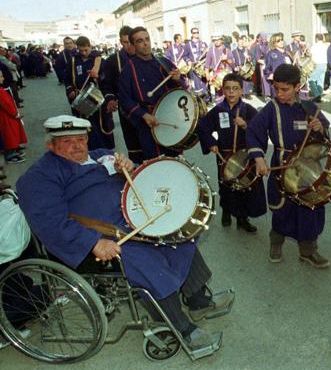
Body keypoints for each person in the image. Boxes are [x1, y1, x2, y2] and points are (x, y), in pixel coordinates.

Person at [16, 115, 233, 352]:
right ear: (50, 145)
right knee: (144, 256)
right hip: (102, 236)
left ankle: (197, 298)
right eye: (67, 141)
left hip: (133, 218)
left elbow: (132, 180)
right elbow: (49, 222)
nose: (77, 146)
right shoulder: (38, 178)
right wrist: (92, 243)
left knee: (179, 229)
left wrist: (128, 169)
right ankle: (180, 327)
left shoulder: (100, 155)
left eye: (81, 139)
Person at [246, 64, 331, 268]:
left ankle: (308, 251)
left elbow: (324, 133)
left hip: (309, 167)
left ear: (298, 86)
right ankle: (276, 243)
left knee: (308, 208)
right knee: (282, 209)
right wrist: (259, 158)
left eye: (285, 89)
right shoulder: (271, 109)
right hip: (283, 166)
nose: (280, 94)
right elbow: (253, 132)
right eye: (276, 89)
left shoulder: (309, 107)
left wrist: (320, 128)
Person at [197, 73, 266, 233]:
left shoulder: (249, 111)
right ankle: (227, 211)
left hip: (244, 158)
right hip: (225, 156)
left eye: (235, 89)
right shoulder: (218, 110)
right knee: (226, 187)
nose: (231, 92)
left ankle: (242, 218)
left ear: (242, 90)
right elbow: (203, 127)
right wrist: (211, 143)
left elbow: (260, 133)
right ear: (223, 90)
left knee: (244, 187)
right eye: (227, 88)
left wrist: (246, 125)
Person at [118, 26, 183, 160]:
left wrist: (178, 79)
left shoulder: (163, 62)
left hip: (169, 117)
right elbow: (124, 100)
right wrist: (143, 115)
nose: (146, 43)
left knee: (175, 159)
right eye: (140, 41)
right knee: (156, 161)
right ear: (133, 45)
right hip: (147, 122)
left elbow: (179, 88)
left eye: (147, 39)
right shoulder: (128, 69)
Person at [101, 26, 143, 164]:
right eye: (125, 42)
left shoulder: (144, 57)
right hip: (127, 112)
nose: (129, 45)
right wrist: (111, 99)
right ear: (120, 42)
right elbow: (106, 85)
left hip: (147, 109)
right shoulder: (112, 61)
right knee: (134, 147)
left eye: (131, 42)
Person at [65, 36, 115, 151]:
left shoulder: (99, 60)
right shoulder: (73, 60)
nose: (83, 53)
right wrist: (70, 91)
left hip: (97, 97)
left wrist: (97, 77)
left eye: (86, 50)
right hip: (80, 97)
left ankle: (107, 150)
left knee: (101, 125)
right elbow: (67, 79)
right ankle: (88, 150)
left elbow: (107, 78)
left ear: (90, 46)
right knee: (85, 126)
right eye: (80, 50)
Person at [0, 71, 27, 164]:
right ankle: (10, 154)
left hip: (6, 116)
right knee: (10, 135)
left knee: (11, 134)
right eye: (1, 77)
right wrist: (15, 114)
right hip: (5, 117)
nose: (3, 78)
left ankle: (14, 149)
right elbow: (7, 104)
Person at [183, 27, 209, 100]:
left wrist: (207, 53)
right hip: (195, 68)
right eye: (194, 32)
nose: (196, 34)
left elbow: (208, 55)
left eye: (197, 32)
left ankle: (206, 99)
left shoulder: (203, 44)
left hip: (203, 67)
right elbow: (185, 55)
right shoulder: (188, 45)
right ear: (192, 34)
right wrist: (188, 61)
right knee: (197, 85)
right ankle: (200, 100)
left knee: (204, 83)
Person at [308, 33, 328, 102]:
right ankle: (320, 96)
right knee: (320, 81)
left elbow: (311, 56)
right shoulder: (325, 46)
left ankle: (317, 95)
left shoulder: (314, 46)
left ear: (316, 38)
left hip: (317, 64)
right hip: (324, 65)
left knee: (310, 80)